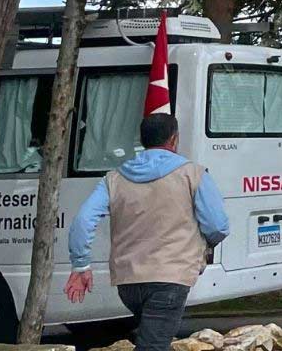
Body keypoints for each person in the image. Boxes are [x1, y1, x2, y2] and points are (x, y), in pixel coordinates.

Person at [66, 114, 229, 351]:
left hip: (128, 283)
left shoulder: (114, 178)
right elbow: (217, 225)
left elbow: (82, 221)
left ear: (142, 140)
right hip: (170, 278)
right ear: (174, 139)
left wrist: (80, 265)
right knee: (154, 345)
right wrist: (205, 244)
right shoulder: (194, 174)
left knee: (153, 341)